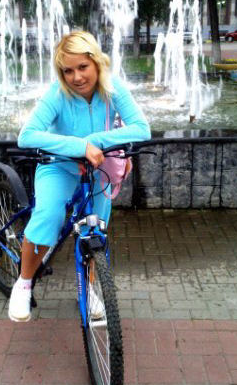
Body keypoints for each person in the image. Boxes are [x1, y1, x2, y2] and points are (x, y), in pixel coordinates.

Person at [9, 30, 151, 322]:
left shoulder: (113, 87)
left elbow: (141, 128)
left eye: (83, 67)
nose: (76, 77)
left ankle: (87, 287)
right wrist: (78, 146)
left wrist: (95, 141)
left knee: (94, 229)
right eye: (68, 71)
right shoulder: (57, 94)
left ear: (96, 62)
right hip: (58, 165)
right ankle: (23, 283)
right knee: (48, 216)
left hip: (97, 167)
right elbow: (27, 135)